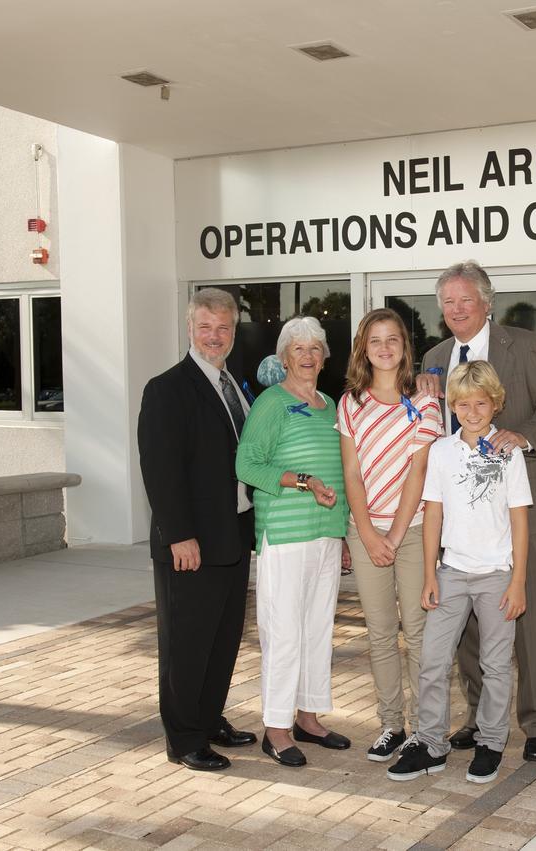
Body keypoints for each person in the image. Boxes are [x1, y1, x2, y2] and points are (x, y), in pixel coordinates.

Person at [416, 260, 536, 763]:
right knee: (466, 628)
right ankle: (482, 718)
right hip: (459, 517)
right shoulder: (435, 357)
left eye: (466, 300)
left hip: (518, 508)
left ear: (487, 302)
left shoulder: (522, 345)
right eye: (448, 303)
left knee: (523, 617)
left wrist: (524, 438)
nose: (457, 310)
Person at [388, 361, 530, 784]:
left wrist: (518, 580)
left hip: (497, 576)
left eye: (481, 403)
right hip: (451, 572)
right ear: (452, 406)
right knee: (432, 660)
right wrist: (431, 574)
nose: (472, 412)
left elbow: (519, 520)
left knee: (495, 664)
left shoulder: (509, 452)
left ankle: (490, 742)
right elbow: (433, 514)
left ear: (495, 404)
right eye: (463, 404)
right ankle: (431, 744)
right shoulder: (441, 452)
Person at [137, 288, 258, 772]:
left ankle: (209, 720)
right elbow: (160, 470)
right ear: (190, 329)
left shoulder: (233, 384)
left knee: (222, 639)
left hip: (231, 538)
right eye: (206, 327)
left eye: (223, 328)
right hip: (192, 545)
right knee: (186, 644)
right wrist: (178, 534)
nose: (215, 336)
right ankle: (184, 738)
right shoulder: (167, 388)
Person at [236, 315, 352, 768]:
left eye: (314, 348)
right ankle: (276, 728)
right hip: (283, 534)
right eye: (297, 349)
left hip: (325, 534)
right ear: (284, 357)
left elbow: (343, 476)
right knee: (283, 631)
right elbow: (247, 465)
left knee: (318, 629)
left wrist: (342, 533)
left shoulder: (331, 405)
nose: (307, 356)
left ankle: (308, 717)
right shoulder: (271, 403)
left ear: (325, 357)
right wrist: (299, 480)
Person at [338, 308, 442, 761]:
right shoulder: (350, 403)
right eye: (375, 340)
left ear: (405, 347)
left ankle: (425, 728)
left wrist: (394, 537)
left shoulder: (425, 402)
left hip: (413, 530)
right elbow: (351, 473)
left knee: (418, 633)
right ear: (364, 347)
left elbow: (419, 471)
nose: (384, 348)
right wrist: (366, 533)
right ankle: (391, 725)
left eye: (392, 339)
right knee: (380, 633)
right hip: (365, 532)